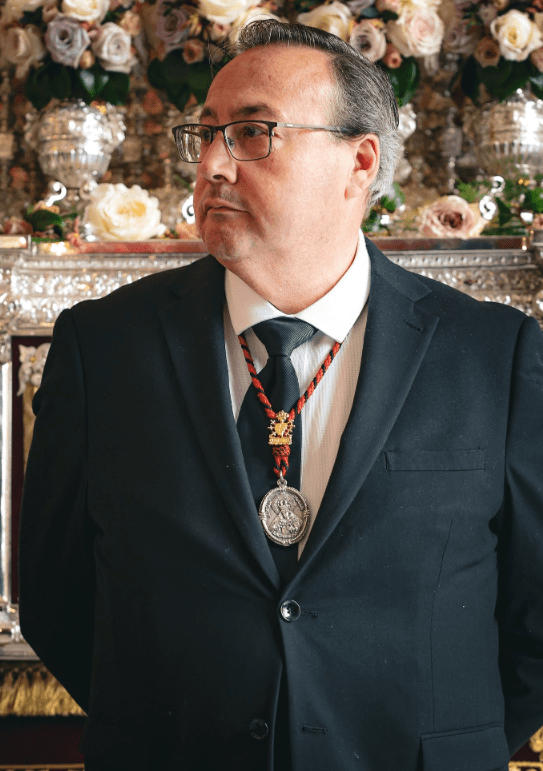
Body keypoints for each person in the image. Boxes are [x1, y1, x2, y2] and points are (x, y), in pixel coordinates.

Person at [18, 20, 543, 771]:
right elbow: (55, 599)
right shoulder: (103, 348)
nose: (211, 164)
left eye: (252, 133)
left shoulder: (492, 354)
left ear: (359, 162)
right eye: (206, 133)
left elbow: (533, 617)